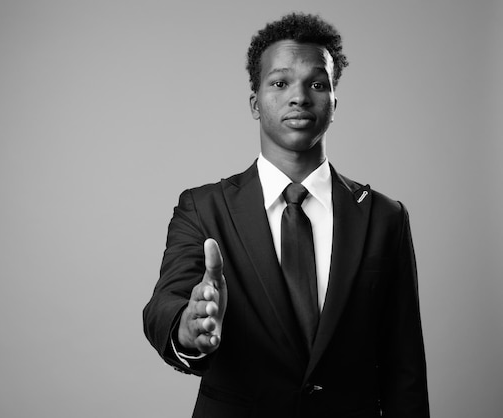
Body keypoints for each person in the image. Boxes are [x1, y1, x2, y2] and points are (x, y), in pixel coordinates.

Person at [143, 12, 429, 418]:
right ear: (255, 103)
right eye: (279, 83)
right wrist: (189, 327)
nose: (299, 96)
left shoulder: (385, 217)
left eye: (316, 84)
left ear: (334, 102)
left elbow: (405, 367)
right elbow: (163, 304)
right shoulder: (203, 206)